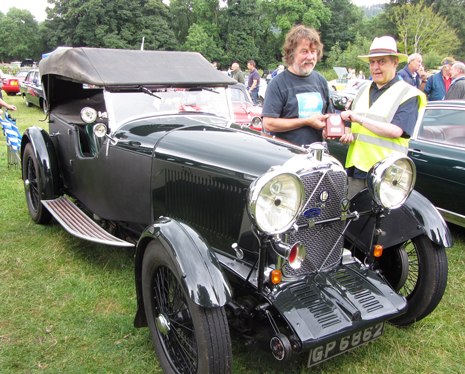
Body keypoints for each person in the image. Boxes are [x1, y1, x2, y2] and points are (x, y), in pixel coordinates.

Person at [337, 36, 427, 198]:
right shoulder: (363, 89)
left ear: (395, 63)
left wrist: (359, 119)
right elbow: (349, 120)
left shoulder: (408, 94)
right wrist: (346, 132)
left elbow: (395, 131)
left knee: (381, 221)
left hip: (387, 174)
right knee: (353, 219)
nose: (375, 67)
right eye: (372, 62)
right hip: (356, 168)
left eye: (382, 62)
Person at [262, 25, 333, 146]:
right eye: (304, 51)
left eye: (313, 51)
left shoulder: (321, 81)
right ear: (291, 53)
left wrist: (329, 129)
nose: (310, 57)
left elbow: (328, 117)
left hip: (316, 154)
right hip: (286, 154)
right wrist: (307, 122)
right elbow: (268, 124)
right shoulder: (278, 83)